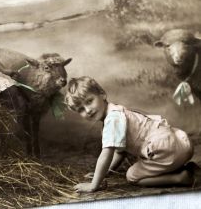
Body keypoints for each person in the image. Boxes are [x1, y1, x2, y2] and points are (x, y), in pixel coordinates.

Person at [64, 76, 201, 192]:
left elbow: (106, 154)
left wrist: (94, 184)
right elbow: (120, 152)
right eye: (81, 109)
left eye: (89, 101)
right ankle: (179, 167)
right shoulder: (117, 110)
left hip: (167, 150)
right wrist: (105, 173)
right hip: (182, 143)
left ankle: (180, 178)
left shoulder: (112, 120)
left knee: (132, 176)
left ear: (102, 94)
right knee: (147, 158)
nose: (87, 110)